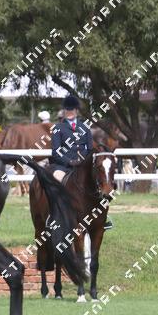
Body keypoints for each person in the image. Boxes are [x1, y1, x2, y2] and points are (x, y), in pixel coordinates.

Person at [50, 95, 113, 230]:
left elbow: (89, 149)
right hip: (64, 166)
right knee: (56, 180)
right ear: (64, 111)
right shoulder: (58, 128)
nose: (70, 112)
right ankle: (54, 215)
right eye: (67, 110)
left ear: (76, 111)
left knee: (98, 182)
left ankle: (102, 217)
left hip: (82, 166)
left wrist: (83, 161)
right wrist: (70, 161)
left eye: (72, 109)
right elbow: (56, 152)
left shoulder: (84, 127)